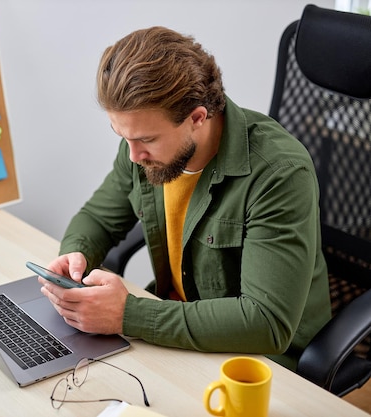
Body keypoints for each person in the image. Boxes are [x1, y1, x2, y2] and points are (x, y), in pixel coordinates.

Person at [38, 26, 331, 371]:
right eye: (121, 135)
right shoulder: (141, 148)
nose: (132, 155)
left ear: (197, 117)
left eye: (146, 139)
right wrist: (75, 256)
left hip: (259, 359)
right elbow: (99, 219)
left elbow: (265, 322)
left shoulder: (278, 173)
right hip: (175, 324)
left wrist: (128, 314)